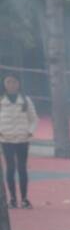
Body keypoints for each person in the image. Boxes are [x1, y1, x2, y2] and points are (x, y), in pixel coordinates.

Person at [0, 75, 38, 209]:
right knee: (10, 168)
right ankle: (12, 199)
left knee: (22, 168)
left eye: (14, 82)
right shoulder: (1, 100)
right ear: (4, 84)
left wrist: (29, 132)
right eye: (8, 82)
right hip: (6, 139)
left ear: (19, 84)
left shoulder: (26, 100)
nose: (11, 84)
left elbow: (33, 119)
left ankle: (24, 199)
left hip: (22, 139)